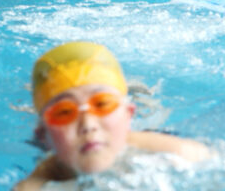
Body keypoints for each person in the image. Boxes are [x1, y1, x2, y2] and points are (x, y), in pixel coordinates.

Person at [14, 41, 211, 191]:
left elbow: (202, 157)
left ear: (129, 115)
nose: (88, 125)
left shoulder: (174, 153)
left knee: (149, 110)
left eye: (102, 104)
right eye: (64, 112)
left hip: (133, 135)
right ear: (42, 134)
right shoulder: (35, 185)